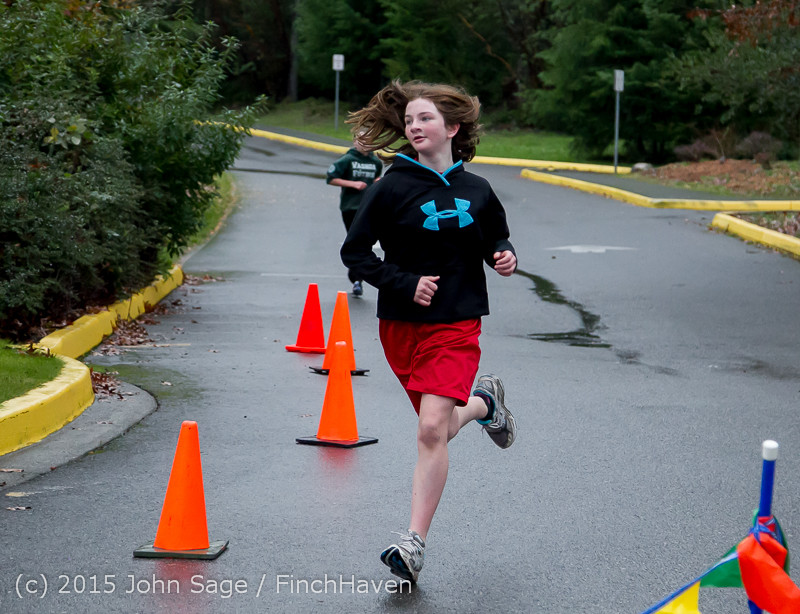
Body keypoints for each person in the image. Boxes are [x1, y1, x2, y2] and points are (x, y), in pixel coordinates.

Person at [340, 80, 518, 583]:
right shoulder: (390, 188)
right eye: (410, 120)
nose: (414, 127)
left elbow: (496, 237)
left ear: (453, 128)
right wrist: (404, 282)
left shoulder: (477, 190)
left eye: (425, 119)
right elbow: (355, 254)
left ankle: (413, 543)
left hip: (457, 322)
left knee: (428, 430)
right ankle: (485, 404)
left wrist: (504, 256)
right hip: (400, 326)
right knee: (438, 427)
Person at [327, 132, 383, 296]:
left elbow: (376, 179)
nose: (365, 143)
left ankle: (357, 277)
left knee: (364, 243)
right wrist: (352, 184)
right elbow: (331, 178)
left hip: (369, 207)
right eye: (361, 140)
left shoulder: (375, 162)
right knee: (357, 242)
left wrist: (377, 183)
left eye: (368, 140)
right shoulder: (347, 160)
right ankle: (357, 279)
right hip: (350, 207)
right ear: (355, 142)